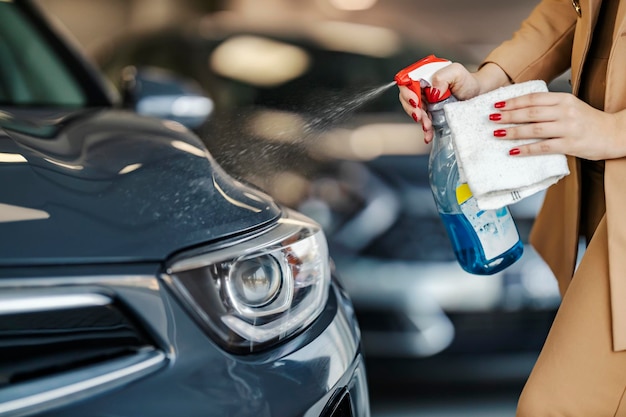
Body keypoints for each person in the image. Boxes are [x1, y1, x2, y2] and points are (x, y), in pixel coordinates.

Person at [398, 0, 626, 415]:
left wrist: (615, 129)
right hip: (599, 185)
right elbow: (571, 11)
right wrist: (491, 79)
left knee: (555, 407)